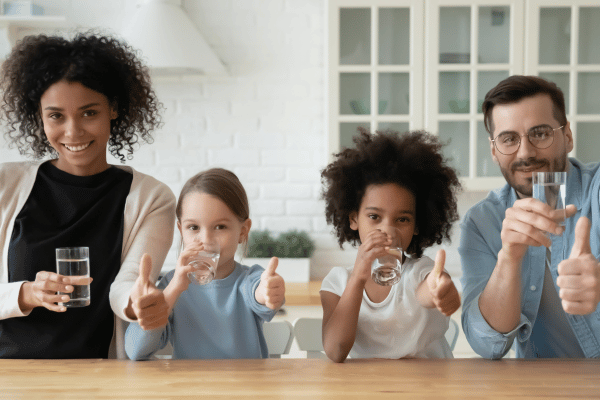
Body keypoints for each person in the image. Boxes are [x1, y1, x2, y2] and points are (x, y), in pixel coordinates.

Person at [0, 33, 175, 359]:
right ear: (39, 116)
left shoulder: (151, 198)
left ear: (114, 108)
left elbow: (130, 284)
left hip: (98, 377)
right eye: (56, 115)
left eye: (89, 113)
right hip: (9, 376)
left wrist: (140, 306)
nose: (73, 131)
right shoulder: (5, 185)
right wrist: (27, 293)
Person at [459, 75, 600, 359]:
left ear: (567, 136)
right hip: (542, 387)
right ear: (494, 151)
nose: (525, 152)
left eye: (540, 133)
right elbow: (486, 344)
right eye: (509, 139)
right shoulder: (482, 222)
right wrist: (509, 257)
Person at [319, 129, 462, 363]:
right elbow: (336, 351)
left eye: (402, 219)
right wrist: (358, 276)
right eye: (375, 217)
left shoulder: (420, 272)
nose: (387, 230)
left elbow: (429, 289)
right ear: (354, 218)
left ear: (417, 224)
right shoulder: (337, 283)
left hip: (431, 387)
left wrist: (440, 288)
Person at [125, 168, 285, 360]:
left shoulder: (250, 280)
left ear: (243, 231)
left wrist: (268, 292)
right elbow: (135, 351)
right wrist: (173, 290)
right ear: (181, 230)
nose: (206, 239)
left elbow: (259, 294)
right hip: (191, 388)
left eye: (220, 227)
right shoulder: (170, 286)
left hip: (245, 388)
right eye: (193, 227)